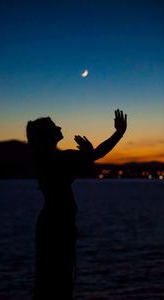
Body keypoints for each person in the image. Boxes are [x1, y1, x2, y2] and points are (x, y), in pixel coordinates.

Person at [26, 109, 127, 300]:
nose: (60, 127)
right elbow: (97, 154)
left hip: (52, 224)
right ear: (48, 135)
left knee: (49, 281)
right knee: (59, 282)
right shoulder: (58, 159)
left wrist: (89, 155)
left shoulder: (47, 159)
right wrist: (119, 133)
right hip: (58, 226)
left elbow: (90, 159)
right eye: (55, 126)